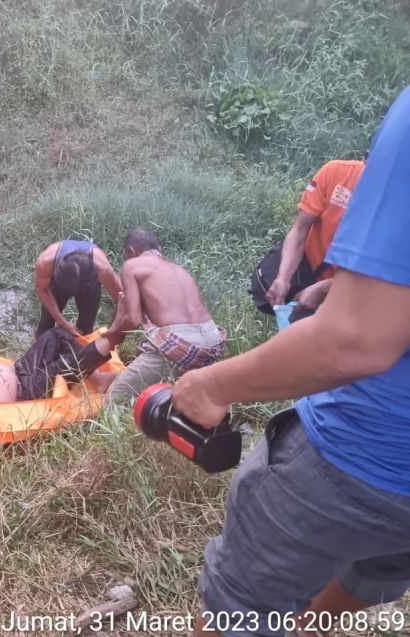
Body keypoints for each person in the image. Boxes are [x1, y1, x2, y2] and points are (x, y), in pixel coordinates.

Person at [173, 85, 410, 637]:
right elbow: (305, 233)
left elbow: (353, 341)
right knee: (374, 570)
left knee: (237, 609)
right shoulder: (331, 177)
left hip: (363, 454)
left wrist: (209, 388)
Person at [102, 229, 226, 405]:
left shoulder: (132, 265)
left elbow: (133, 320)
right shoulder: (177, 268)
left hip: (180, 343)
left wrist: (111, 333)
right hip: (213, 339)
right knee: (155, 366)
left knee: (113, 400)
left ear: (130, 252)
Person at [254, 157, 365, 318]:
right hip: (307, 273)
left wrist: (326, 287)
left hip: (352, 296)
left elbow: (387, 276)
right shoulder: (336, 172)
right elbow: (300, 228)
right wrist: (284, 277)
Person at [34, 239, 122, 338]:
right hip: (58, 284)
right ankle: (42, 342)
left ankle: (81, 343)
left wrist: (112, 330)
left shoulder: (103, 269)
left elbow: (122, 298)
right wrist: (62, 323)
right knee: (47, 320)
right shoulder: (46, 262)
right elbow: (43, 289)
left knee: (86, 324)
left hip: (89, 286)